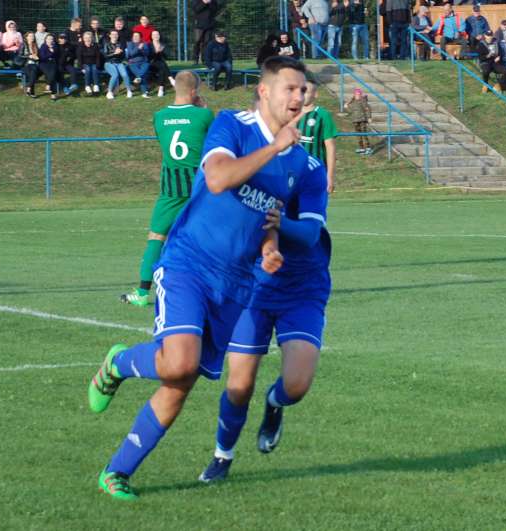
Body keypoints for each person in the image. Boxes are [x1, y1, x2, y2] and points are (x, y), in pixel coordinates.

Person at [87, 57, 319, 500]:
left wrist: (270, 247)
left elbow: (267, 218)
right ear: (264, 92)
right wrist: (273, 148)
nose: (298, 97)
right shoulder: (232, 125)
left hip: (235, 285)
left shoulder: (298, 161)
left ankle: (116, 472)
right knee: (178, 362)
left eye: (303, 90)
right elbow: (216, 179)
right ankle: (116, 365)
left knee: (180, 382)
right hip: (188, 262)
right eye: (290, 88)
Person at [197, 90, 332, 485]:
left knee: (297, 384)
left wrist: (278, 223)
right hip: (253, 284)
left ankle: (275, 404)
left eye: (299, 98)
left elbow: (308, 235)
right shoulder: (245, 158)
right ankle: (222, 456)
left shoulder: (309, 167)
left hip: (301, 286)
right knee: (238, 386)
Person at [120, 71, 213, 307]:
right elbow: (214, 142)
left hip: (171, 188)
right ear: (194, 92)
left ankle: (142, 294)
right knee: (208, 238)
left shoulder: (159, 116)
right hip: (200, 188)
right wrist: (204, 108)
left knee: (156, 238)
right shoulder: (204, 116)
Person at [298, 79, 336, 192]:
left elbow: (331, 148)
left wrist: (330, 176)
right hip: (292, 171)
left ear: (315, 94)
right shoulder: (290, 113)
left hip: (316, 172)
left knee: (312, 208)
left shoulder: (323, 115)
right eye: (301, 91)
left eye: (306, 91)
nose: (302, 95)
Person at [102, 28, 132, 99]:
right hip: (109, 63)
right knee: (115, 75)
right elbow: (105, 56)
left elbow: (123, 56)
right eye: (113, 34)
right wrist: (114, 53)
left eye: (116, 34)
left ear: (118, 36)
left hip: (119, 62)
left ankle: (129, 91)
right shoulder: (107, 44)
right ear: (110, 36)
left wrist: (121, 52)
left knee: (124, 74)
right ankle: (109, 92)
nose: (114, 36)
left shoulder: (120, 44)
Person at [31, 32, 58, 100]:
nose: (50, 40)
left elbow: (56, 56)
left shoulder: (55, 46)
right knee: (51, 73)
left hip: (52, 63)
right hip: (43, 63)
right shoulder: (43, 46)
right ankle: (52, 92)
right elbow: (42, 57)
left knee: (53, 72)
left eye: (51, 39)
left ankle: (49, 87)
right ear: (46, 40)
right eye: (48, 39)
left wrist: (50, 54)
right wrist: (51, 53)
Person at [344, 88, 372, 154]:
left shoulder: (363, 101)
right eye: (356, 94)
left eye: (359, 94)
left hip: (362, 119)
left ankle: (368, 147)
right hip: (355, 120)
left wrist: (369, 117)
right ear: (354, 95)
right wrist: (347, 107)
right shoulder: (352, 102)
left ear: (361, 95)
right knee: (358, 134)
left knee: (364, 133)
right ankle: (361, 147)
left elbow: (367, 109)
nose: (358, 95)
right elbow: (350, 112)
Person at [126, 31, 151, 98]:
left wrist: (142, 49)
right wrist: (138, 48)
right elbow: (131, 54)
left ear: (140, 38)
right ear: (132, 37)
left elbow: (147, 54)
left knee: (143, 71)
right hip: (133, 63)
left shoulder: (144, 44)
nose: (136, 37)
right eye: (134, 36)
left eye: (137, 36)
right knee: (142, 75)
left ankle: (138, 78)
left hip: (144, 62)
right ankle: (144, 92)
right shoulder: (129, 44)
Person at [149, 29, 174, 97]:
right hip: (152, 64)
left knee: (162, 68)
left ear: (159, 36)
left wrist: (162, 51)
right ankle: (171, 78)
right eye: (154, 35)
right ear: (151, 36)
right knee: (162, 64)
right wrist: (156, 52)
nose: (156, 36)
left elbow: (167, 56)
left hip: (161, 64)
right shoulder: (149, 45)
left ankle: (161, 89)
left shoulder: (162, 44)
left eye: (157, 34)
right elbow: (149, 56)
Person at [77, 30, 100, 94]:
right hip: (85, 64)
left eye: (89, 37)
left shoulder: (95, 45)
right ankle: (87, 86)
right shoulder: (80, 46)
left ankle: (96, 86)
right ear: (83, 39)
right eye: (86, 38)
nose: (87, 39)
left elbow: (98, 57)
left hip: (94, 63)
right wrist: (81, 68)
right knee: (88, 70)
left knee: (95, 69)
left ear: (92, 38)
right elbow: (79, 58)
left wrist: (98, 65)